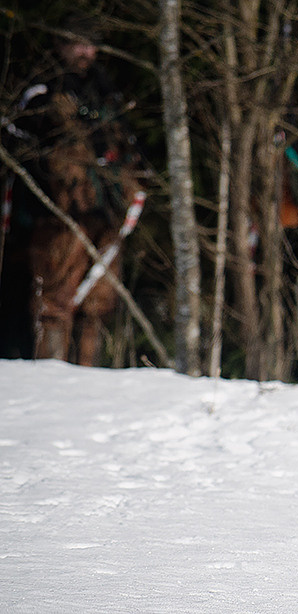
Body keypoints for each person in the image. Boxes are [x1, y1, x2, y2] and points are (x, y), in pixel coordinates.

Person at [1, 14, 143, 365]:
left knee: (98, 304)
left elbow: (128, 146)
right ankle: (52, 378)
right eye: (78, 43)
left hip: (107, 213)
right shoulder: (42, 89)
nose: (85, 51)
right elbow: (20, 145)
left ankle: (87, 380)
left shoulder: (105, 91)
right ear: (61, 46)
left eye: (91, 44)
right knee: (55, 303)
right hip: (60, 216)